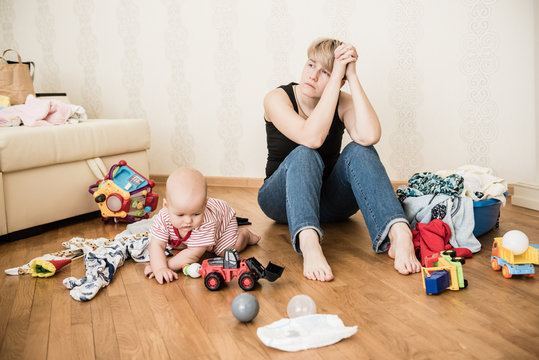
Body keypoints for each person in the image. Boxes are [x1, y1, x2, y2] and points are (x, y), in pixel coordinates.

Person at [258, 38, 421, 282]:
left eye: (325, 72)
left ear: (339, 80)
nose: (312, 76)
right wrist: (335, 76)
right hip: (282, 202)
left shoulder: (342, 100)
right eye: (311, 65)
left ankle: (399, 233)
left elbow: (370, 135)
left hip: (333, 204)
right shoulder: (277, 98)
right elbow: (310, 138)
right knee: (305, 152)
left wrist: (352, 76)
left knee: (360, 148)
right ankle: (310, 244)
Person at [145, 167, 260, 284]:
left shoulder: (206, 221)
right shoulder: (163, 218)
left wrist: (166, 267)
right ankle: (199, 240)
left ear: (204, 205)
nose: (188, 221)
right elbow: (156, 245)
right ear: (166, 206)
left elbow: (192, 255)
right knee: (177, 244)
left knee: (224, 252)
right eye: (180, 215)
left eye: (196, 213)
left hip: (222, 221)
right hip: (197, 229)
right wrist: (159, 267)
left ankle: (246, 236)